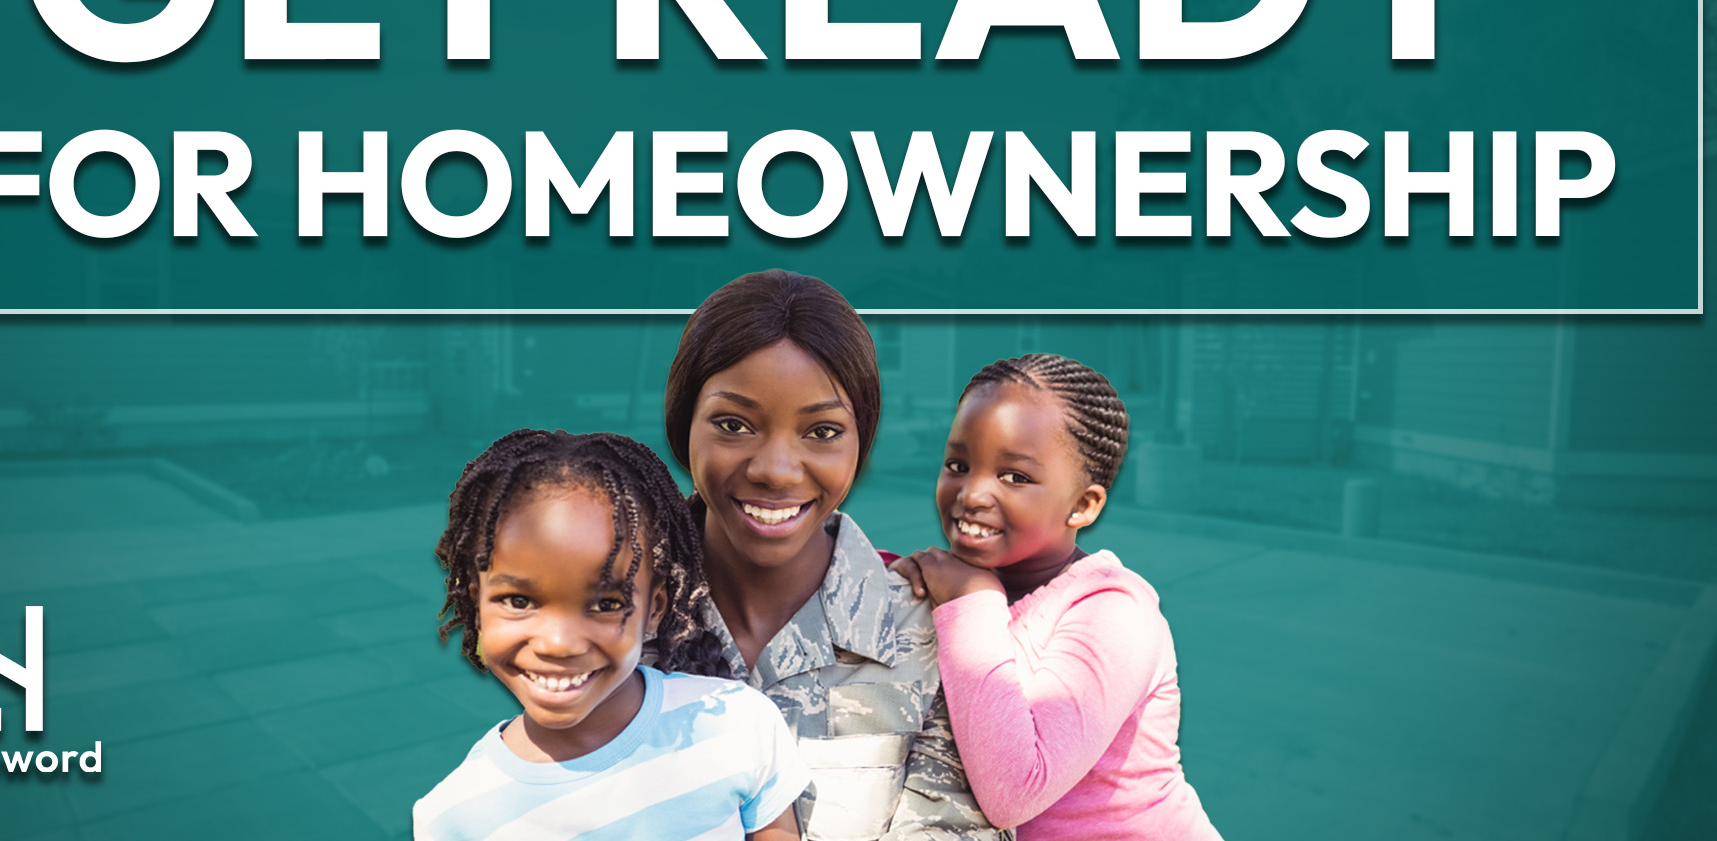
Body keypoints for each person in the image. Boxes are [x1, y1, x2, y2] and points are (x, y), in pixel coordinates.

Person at [663, 269, 1002, 841]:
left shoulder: (930, 636)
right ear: (683, 427)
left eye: (821, 431)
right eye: (733, 424)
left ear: (859, 445)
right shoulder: (615, 614)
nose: (774, 469)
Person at [415, 429, 808, 841]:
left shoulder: (740, 724)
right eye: (518, 601)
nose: (558, 643)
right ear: (477, 604)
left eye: (605, 605)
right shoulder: (453, 817)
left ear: (654, 610)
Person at [891, 354, 1222, 841]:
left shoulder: (1113, 612)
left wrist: (972, 599)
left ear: (1083, 505)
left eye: (1015, 477)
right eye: (958, 465)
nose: (972, 493)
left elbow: (1015, 792)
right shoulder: (956, 579)